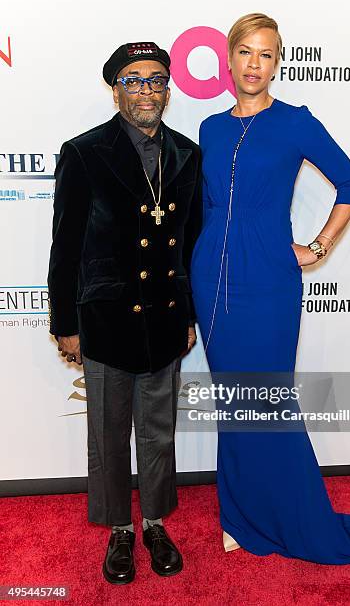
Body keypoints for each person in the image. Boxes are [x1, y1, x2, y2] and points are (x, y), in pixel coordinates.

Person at [191, 13, 350, 563]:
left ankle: (291, 517)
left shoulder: (295, 122)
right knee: (233, 403)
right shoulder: (210, 129)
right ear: (229, 58)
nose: (254, 64)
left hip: (268, 280)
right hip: (210, 281)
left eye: (266, 55)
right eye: (245, 52)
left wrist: (317, 247)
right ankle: (242, 517)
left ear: (277, 63)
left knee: (267, 402)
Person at [47, 41, 202, 583]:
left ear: (168, 87)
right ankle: (119, 530)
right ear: (115, 89)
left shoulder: (186, 154)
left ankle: (155, 521)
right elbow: (64, 245)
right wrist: (64, 322)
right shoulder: (84, 152)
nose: (146, 90)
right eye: (133, 79)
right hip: (106, 318)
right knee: (109, 433)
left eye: (155, 79)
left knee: (158, 432)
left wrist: (187, 315)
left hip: (163, 319)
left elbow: (187, 244)